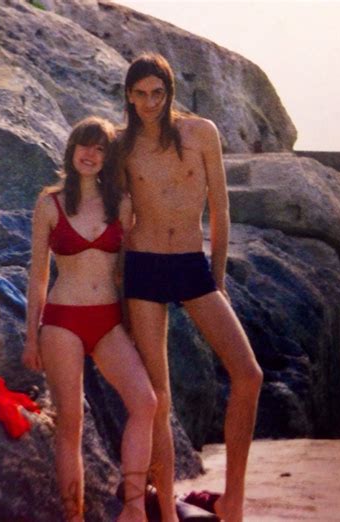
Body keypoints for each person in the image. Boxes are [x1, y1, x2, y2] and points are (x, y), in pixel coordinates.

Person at [119, 53, 263, 522]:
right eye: (139, 94)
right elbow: (122, 223)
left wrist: (217, 279)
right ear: (128, 95)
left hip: (191, 264)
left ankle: (232, 502)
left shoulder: (201, 133)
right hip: (143, 269)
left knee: (249, 374)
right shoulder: (123, 145)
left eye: (156, 93)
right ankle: (166, 508)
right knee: (157, 397)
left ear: (169, 92)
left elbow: (220, 211)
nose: (149, 103)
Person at [22, 117, 157, 522]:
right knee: (71, 423)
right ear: (71, 149)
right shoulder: (51, 203)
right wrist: (32, 337)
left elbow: (130, 270)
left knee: (145, 403)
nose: (91, 154)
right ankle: (74, 516)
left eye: (100, 148)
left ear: (108, 157)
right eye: (85, 144)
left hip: (109, 322)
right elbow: (38, 275)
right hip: (62, 321)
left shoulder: (123, 204)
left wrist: (137, 327)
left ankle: (133, 508)